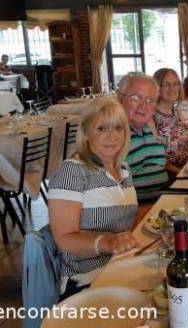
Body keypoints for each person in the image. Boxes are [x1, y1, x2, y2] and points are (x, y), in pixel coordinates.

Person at [47, 98, 139, 300]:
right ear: (86, 133)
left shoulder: (122, 168)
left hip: (122, 268)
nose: (112, 136)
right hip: (86, 280)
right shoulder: (72, 170)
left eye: (118, 128)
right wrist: (109, 243)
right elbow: (64, 239)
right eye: (101, 129)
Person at [117, 72, 169, 199]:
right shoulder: (115, 134)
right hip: (138, 209)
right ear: (120, 99)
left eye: (149, 100)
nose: (143, 106)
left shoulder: (146, 127)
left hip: (163, 198)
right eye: (136, 98)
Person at [153, 68, 188, 175]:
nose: (172, 88)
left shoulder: (177, 112)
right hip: (172, 176)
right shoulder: (151, 117)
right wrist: (184, 174)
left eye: (175, 84)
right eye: (165, 84)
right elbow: (160, 161)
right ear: (156, 87)